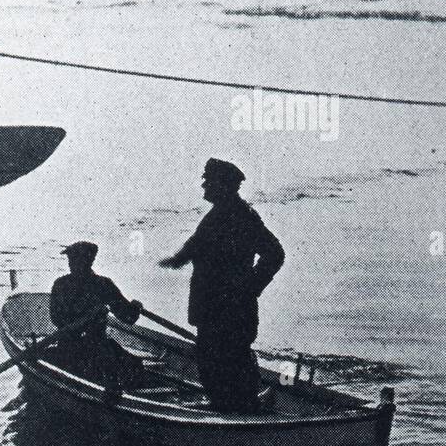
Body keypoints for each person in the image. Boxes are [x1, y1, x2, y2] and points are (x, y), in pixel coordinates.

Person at [159, 158, 285, 413]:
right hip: (211, 306)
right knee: (211, 359)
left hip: (232, 306)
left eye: (208, 179)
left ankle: (243, 408)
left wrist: (250, 287)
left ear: (224, 185)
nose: (203, 184)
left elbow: (275, 253)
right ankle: (229, 407)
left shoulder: (243, 216)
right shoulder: (217, 215)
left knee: (230, 358)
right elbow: (195, 245)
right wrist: (175, 260)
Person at [48, 241, 143, 391]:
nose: (71, 264)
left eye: (73, 260)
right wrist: (135, 308)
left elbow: (56, 319)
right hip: (90, 348)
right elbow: (129, 317)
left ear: (88, 261)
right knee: (132, 367)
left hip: (73, 348)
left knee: (133, 365)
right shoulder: (103, 284)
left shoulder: (61, 284)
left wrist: (134, 308)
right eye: (71, 260)